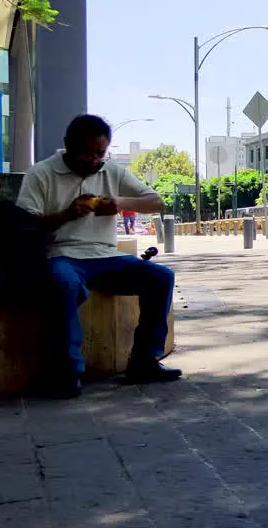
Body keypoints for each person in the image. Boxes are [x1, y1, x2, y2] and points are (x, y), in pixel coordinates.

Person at [16, 115, 180, 397]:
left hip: (106, 256)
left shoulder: (111, 171)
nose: (93, 160)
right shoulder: (41, 173)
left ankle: (143, 361)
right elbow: (24, 224)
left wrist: (120, 203)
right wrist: (67, 214)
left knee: (160, 277)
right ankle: (68, 371)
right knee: (62, 283)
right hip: (62, 254)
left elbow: (157, 202)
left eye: (99, 154)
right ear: (67, 145)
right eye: (86, 153)